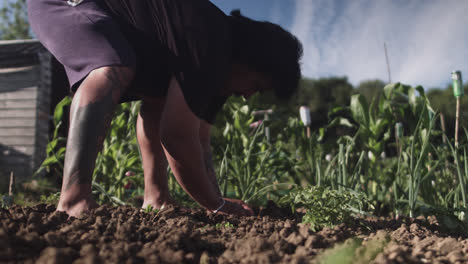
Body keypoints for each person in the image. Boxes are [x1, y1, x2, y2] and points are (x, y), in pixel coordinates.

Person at [27, 0, 303, 217]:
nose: (248, 96)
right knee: (112, 66)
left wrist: (219, 206)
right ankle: (73, 198)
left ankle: (156, 197)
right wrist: (216, 204)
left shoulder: (222, 76)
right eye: (257, 85)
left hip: (111, 20)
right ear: (250, 60)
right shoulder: (212, 43)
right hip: (66, 3)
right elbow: (178, 138)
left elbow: (198, 139)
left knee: (158, 101)